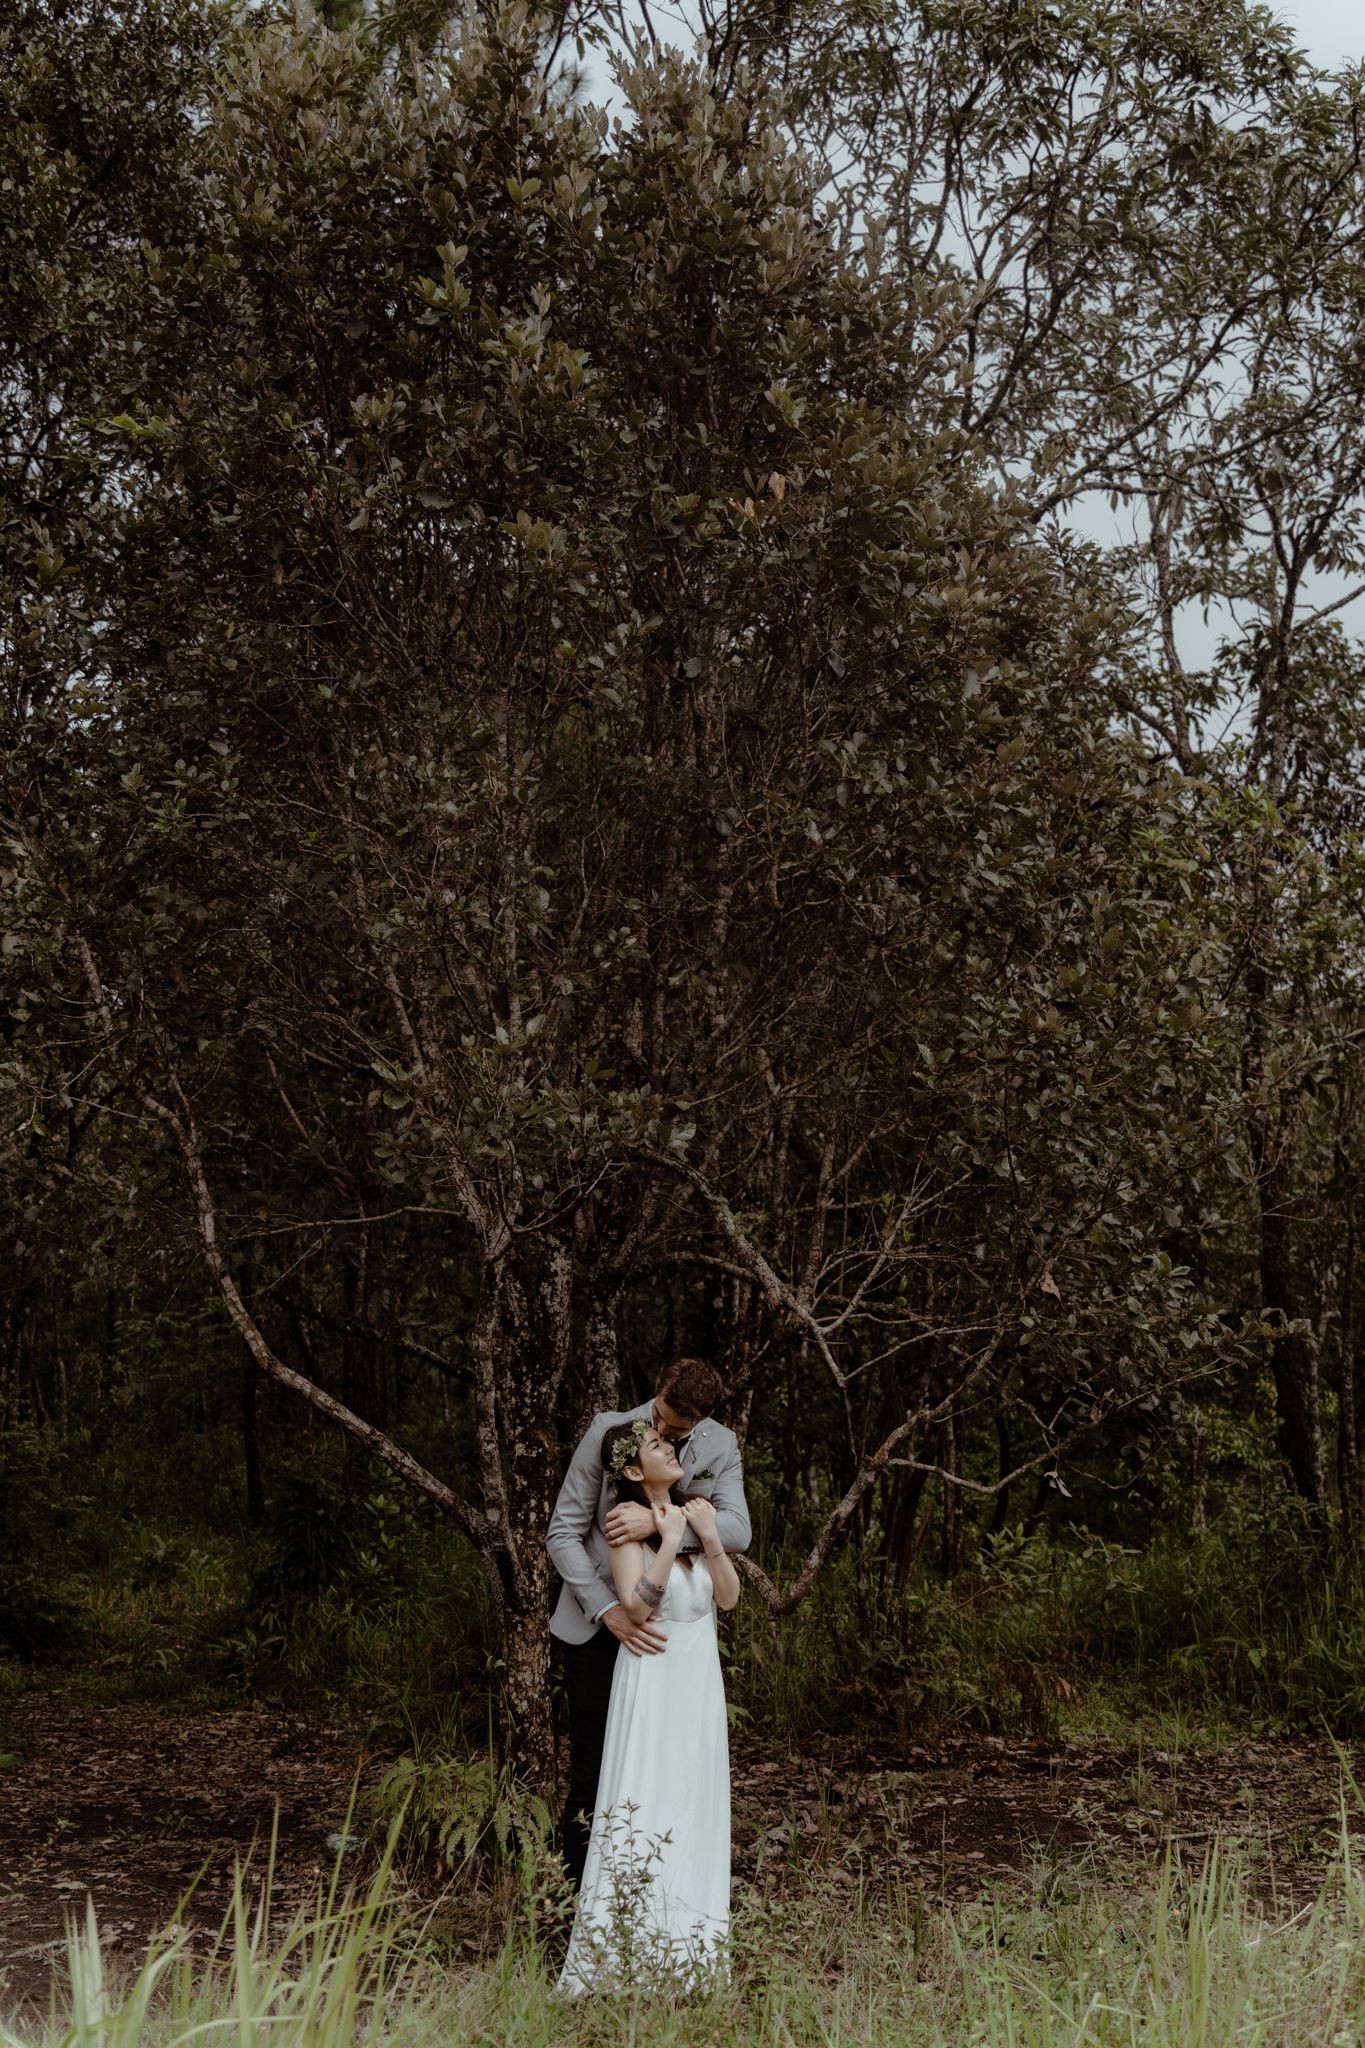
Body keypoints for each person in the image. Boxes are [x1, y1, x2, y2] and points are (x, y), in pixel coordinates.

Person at [546, 1357, 751, 1894]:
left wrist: (659, 1525)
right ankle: (582, 1914)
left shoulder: (720, 1445)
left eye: (673, 1428)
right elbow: (562, 1533)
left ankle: (663, 1901)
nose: (660, 1429)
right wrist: (606, 1610)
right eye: (658, 1416)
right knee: (595, 1774)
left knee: (668, 1774)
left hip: (672, 1641)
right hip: (598, 1630)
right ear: (658, 1390)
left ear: (700, 1419)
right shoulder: (610, 1432)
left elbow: (737, 1529)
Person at [555, 1414, 741, 1993]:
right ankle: (625, 1950)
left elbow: (728, 1599)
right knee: (646, 1794)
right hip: (654, 1677)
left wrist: (705, 1536)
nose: (671, 1448)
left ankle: (691, 1952)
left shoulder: (696, 1511)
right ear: (634, 1471)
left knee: (694, 1798)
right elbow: (638, 1607)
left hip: (698, 1682)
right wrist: (669, 1537)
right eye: (659, 1444)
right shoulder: (625, 1527)